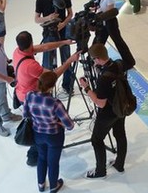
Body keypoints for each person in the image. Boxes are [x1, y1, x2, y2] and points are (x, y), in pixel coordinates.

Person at [13, 30, 78, 166]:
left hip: (23, 93)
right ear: (31, 42)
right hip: (30, 97)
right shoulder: (31, 66)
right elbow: (52, 76)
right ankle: (33, 155)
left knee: (36, 123)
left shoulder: (18, 52)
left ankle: (39, 149)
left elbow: (44, 47)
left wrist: (63, 42)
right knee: (36, 126)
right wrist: (69, 61)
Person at [81, 43, 129, 179]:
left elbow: (100, 103)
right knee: (120, 134)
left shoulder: (103, 79)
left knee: (96, 140)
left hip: (108, 113)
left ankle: (100, 171)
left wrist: (86, 88)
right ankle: (119, 164)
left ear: (97, 58)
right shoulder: (118, 64)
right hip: (121, 106)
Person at [24, 70, 75, 193]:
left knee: (41, 158)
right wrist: (58, 123)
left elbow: (25, 114)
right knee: (53, 162)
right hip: (54, 136)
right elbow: (70, 125)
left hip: (38, 134)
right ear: (52, 86)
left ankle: (41, 185)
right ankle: (53, 186)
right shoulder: (55, 103)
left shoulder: (29, 96)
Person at [34, 0, 75, 89]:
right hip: (49, 33)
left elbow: (70, 14)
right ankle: (47, 87)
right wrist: (48, 18)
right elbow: (36, 19)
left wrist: (63, 24)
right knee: (48, 63)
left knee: (66, 59)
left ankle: (67, 85)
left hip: (63, 32)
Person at [92, 0, 136, 69]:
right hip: (103, 22)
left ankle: (129, 61)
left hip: (110, 23)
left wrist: (98, 15)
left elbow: (109, 13)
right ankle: (95, 59)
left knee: (118, 42)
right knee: (99, 41)